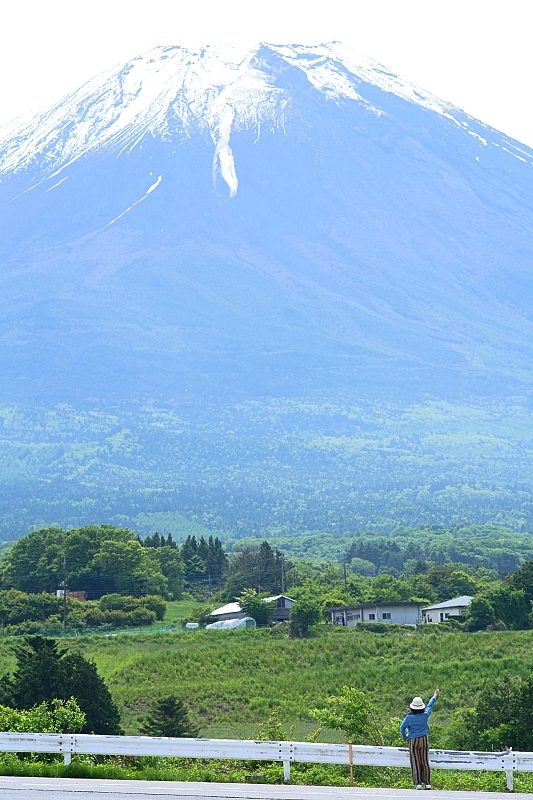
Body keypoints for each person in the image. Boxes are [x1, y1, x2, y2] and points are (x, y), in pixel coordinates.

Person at [400, 687, 440, 790]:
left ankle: (418, 783)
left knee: (415, 760)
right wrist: (435, 695)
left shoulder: (408, 718)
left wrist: (406, 737)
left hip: (413, 740)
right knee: (424, 761)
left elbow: (402, 728)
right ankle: (427, 783)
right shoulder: (425, 715)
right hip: (424, 739)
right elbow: (430, 706)